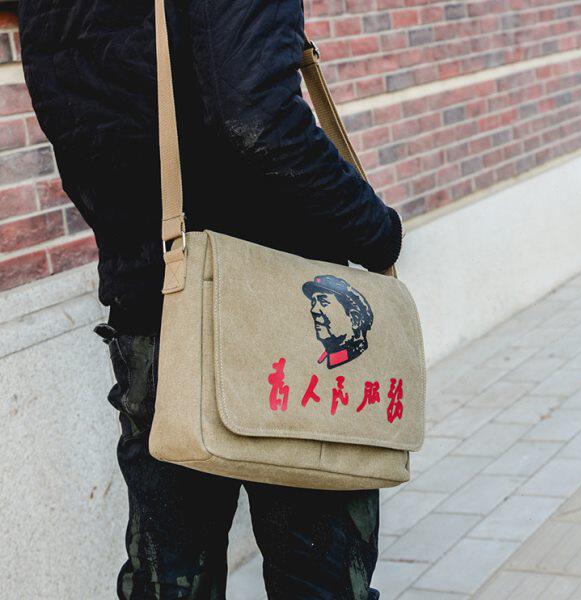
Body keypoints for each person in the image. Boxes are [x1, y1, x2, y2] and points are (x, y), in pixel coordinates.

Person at [19, 0, 403, 597]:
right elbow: (257, 120)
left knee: (171, 575)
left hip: (149, 306)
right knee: (320, 578)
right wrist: (376, 230)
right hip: (278, 303)